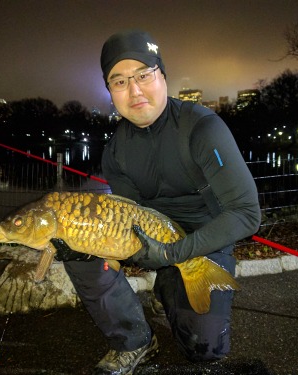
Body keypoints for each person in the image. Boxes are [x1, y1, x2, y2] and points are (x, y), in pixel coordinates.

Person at [59, 30, 261, 374]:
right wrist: (93, 239)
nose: (134, 90)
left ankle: (169, 288)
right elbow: (128, 217)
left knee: (205, 349)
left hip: (204, 238)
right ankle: (134, 340)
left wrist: (170, 255)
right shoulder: (116, 151)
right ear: (110, 92)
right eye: (119, 81)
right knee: (77, 247)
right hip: (152, 236)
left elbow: (246, 215)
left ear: (162, 76)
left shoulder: (203, 128)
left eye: (143, 75)